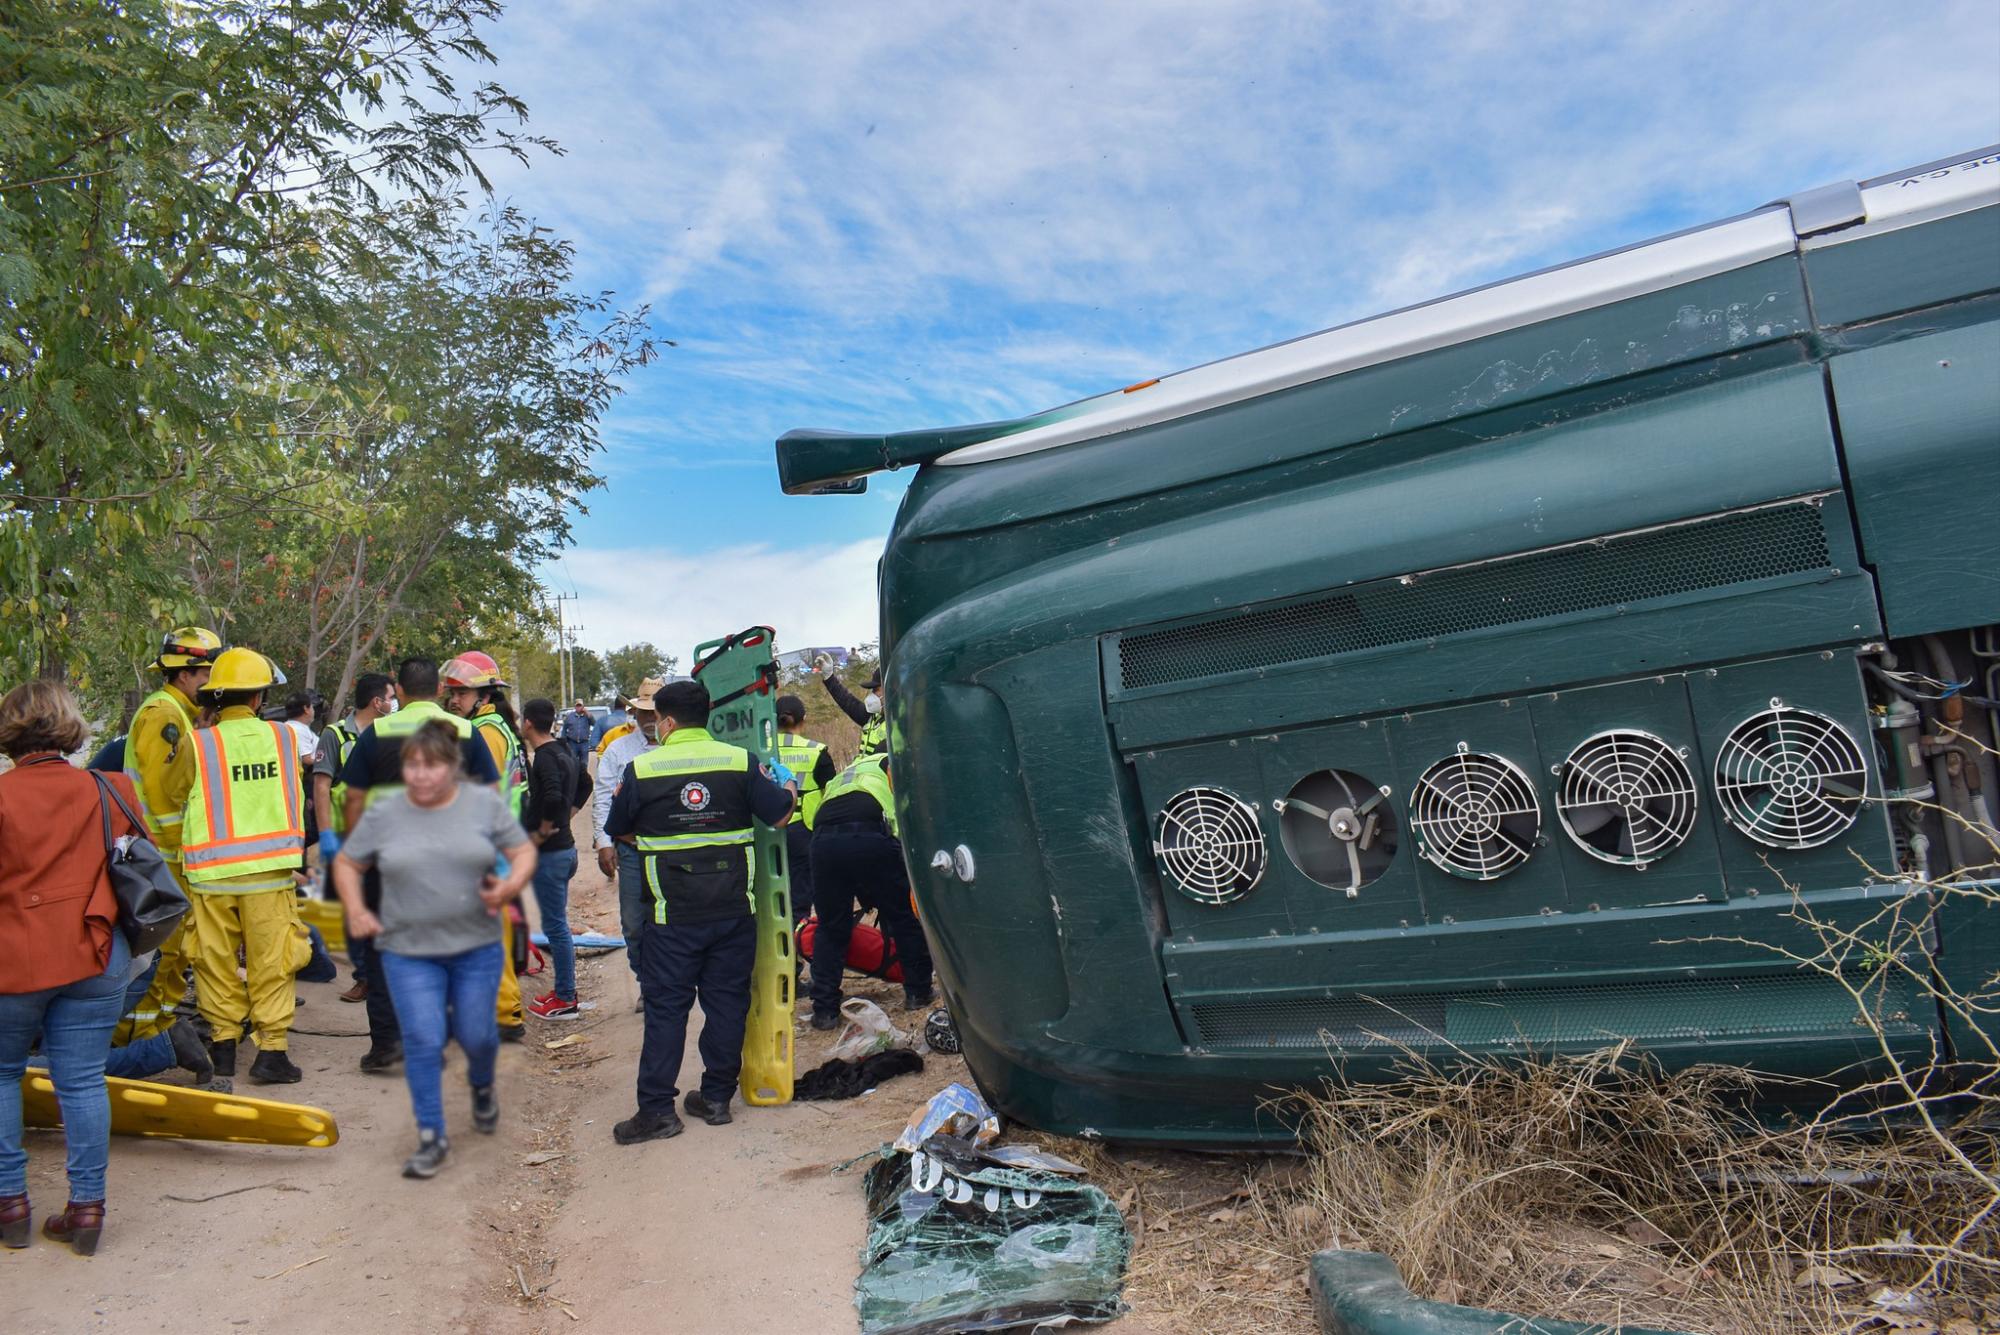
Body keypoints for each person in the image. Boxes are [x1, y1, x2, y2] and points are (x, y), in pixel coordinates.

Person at [332, 719, 535, 1179]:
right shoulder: (385, 814)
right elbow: (347, 863)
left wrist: (510, 885)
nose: (421, 775)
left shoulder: (482, 804)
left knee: (477, 1035)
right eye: (412, 766)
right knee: (422, 1039)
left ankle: (482, 1087)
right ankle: (432, 1137)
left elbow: (522, 852)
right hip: (407, 949)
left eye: (431, 765)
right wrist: (357, 908)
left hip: (475, 948)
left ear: (452, 767)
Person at [603, 679, 795, 1143]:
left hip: (672, 914)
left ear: (666, 722)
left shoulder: (642, 768)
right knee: (727, 1002)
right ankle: (715, 1098)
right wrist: (786, 784)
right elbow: (781, 816)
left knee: (667, 1010)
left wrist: (658, 839)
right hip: (734, 910)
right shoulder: (740, 761)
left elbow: (620, 830)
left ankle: (657, 1113)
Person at [0, 681, 144, 1254]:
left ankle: (10, 1203)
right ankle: (86, 1211)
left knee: (3, 1075)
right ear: (69, 727)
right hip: (98, 953)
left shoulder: (3, 797)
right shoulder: (111, 788)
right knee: (82, 1080)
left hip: (14, 962)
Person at [338, 658, 500, 1073]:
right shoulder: (465, 731)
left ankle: (387, 1045)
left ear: (402, 691)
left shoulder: (377, 732)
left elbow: (353, 798)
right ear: (440, 691)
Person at [181, 648, 312, 1085]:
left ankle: (222, 1050)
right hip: (269, 874)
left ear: (216, 699)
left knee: (214, 961)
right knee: (272, 961)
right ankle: (271, 1053)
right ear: (258, 698)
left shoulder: (196, 743)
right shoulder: (284, 738)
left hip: (211, 873)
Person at [116, 626, 223, 1046]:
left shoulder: (178, 713)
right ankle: (136, 1036)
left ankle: (157, 1029)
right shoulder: (164, 715)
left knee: (172, 952)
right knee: (159, 954)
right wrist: (184, 846)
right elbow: (162, 795)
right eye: (207, 675)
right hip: (163, 855)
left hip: (165, 854)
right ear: (184, 674)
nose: (213, 685)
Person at [808, 749, 933, 1029]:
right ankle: (918, 991)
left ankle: (825, 1010)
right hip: (867, 833)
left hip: (822, 841)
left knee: (831, 927)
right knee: (902, 915)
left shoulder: (850, 771)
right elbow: (907, 816)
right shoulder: (894, 761)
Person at [441, 650, 529, 1040]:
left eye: (461, 694)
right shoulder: (497, 726)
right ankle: (501, 1011)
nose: (453, 700)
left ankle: (504, 1016)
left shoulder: (487, 732)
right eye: (452, 693)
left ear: (485, 695)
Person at [314, 672, 396, 1004]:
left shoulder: (391, 733)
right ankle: (364, 976)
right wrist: (326, 836)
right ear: (377, 702)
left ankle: (384, 973)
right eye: (391, 696)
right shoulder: (336, 735)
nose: (395, 703)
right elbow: (321, 788)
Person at [592, 676, 664, 1001]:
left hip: (670, 852)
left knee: (668, 921)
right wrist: (604, 843)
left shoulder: (676, 748)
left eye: (656, 713)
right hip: (632, 850)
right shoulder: (618, 750)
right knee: (634, 923)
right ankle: (646, 982)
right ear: (634, 714)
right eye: (644, 713)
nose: (650, 720)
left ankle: (663, 987)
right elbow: (603, 797)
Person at [520, 698, 582, 1020]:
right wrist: (566, 820)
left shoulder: (544, 757)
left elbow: (556, 795)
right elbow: (583, 784)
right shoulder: (564, 750)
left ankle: (566, 998)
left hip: (552, 854)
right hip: (566, 850)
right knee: (558, 924)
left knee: (556, 927)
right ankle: (563, 989)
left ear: (528, 723)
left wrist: (543, 832)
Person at [774, 695, 835, 926]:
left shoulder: (759, 750)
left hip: (768, 828)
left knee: (774, 891)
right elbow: (831, 792)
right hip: (804, 830)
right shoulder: (816, 751)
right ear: (803, 719)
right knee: (802, 891)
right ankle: (799, 945)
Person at [816, 657, 886, 756]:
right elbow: (848, 701)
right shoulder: (872, 717)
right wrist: (829, 678)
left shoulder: (903, 723)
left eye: (875, 689)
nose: (873, 694)